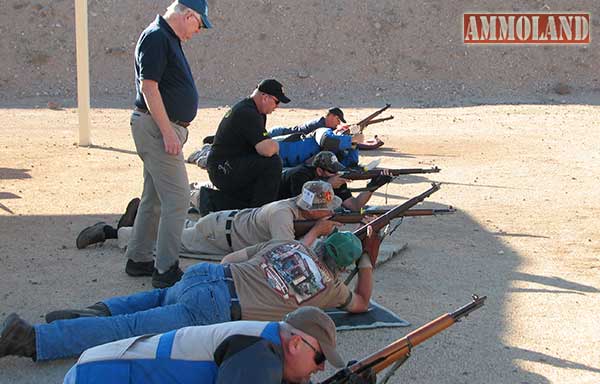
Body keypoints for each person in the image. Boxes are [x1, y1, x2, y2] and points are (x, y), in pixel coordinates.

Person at [0, 230, 376, 362]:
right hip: (217, 307)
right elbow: (361, 305)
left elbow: (233, 257)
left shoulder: (288, 245)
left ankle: (86, 315)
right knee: (127, 330)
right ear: (341, 266)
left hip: (208, 274)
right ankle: (32, 339)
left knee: (145, 303)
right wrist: (367, 262)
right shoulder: (331, 288)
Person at [125, 0, 213, 289]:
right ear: (188, 16)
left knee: (153, 197)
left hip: (157, 127)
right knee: (177, 200)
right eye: (198, 25)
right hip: (157, 128)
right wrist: (167, 131)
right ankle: (166, 270)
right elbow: (148, 86)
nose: (197, 32)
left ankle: (138, 258)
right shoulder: (157, 37)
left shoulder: (164, 37)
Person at [61, 307, 374, 384]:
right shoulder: (259, 356)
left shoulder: (263, 343)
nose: (320, 368)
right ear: (295, 344)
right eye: (320, 358)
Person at [76, 181, 342, 258]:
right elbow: (286, 255)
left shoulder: (301, 203)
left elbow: (343, 204)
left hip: (222, 224)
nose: (329, 211)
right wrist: (317, 231)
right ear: (312, 210)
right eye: (324, 210)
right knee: (166, 242)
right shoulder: (282, 214)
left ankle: (142, 220)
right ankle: (113, 232)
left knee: (176, 229)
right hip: (218, 234)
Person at [206, 79, 290, 209]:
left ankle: (221, 204)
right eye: (276, 101)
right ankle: (259, 217)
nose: (277, 106)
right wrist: (277, 145)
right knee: (273, 163)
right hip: (223, 168)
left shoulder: (254, 111)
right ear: (265, 97)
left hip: (228, 165)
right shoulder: (248, 112)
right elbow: (266, 149)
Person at [279, 151, 393, 211]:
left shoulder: (335, 178)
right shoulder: (300, 175)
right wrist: (327, 185)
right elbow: (301, 204)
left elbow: (354, 206)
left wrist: (372, 186)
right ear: (319, 171)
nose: (336, 174)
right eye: (331, 172)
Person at [268, 106, 347, 137]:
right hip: (278, 133)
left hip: (280, 132)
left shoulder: (323, 124)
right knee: (262, 135)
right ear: (331, 116)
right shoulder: (318, 125)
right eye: (338, 119)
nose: (338, 123)